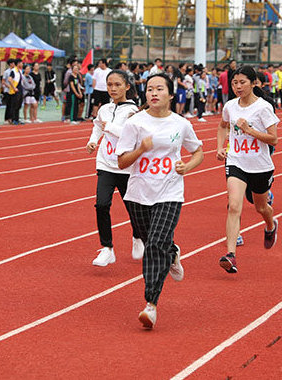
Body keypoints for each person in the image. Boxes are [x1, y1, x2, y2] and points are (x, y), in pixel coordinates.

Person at [116, 72, 204, 329]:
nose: (153, 93)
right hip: (138, 193)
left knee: (154, 246)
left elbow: (198, 151)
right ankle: (173, 252)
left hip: (170, 192)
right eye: (149, 89)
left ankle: (150, 304)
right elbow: (121, 162)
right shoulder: (135, 123)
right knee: (151, 241)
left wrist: (187, 167)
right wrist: (141, 149)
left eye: (159, 89)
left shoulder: (180, 124)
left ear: (170, 93)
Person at [216, 65, 279, 274]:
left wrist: (249, 130)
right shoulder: (230, 106)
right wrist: (220, 146)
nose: (237, 86)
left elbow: (274, 139)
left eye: (242, 82)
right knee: (234, 205)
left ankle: (270, 225)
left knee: (261, 207)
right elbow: (223, 125)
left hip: (260, 165)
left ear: (254, 83)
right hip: (236, 161)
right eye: (234, 83)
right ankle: (231, 255)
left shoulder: (263, 108)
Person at [86, 69, 144, 267]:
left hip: (127, 166)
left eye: (117, 84)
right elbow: (97, 126)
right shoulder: (104, 109)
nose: (113, 88)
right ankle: (107, 248)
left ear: (127, 87)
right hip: (106, 164)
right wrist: (93, 141)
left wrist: (109, 126)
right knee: (102, 204)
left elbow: (131, 136)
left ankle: (138, 236)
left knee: (133, 209)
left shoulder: (134, 112)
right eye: (110, 85)